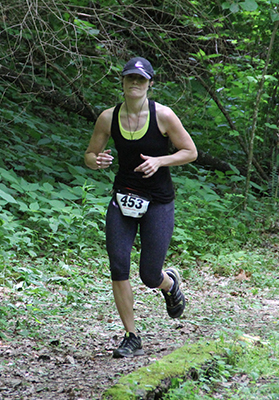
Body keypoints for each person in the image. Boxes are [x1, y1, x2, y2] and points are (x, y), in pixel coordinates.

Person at [83, 57, 196, 358]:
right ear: (122, 82)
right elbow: (90, 155)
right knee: (118, 265)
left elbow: (190, 151)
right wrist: (97, 161)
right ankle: (131, 336)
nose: (135, 83)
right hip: (123, 198)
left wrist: (161, 160)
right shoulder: (108, 117)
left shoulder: (163, 116)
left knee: (149, 275)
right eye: (130, 78)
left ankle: (169, 284)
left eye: (141, 79)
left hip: (158, 201)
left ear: (150, 84)